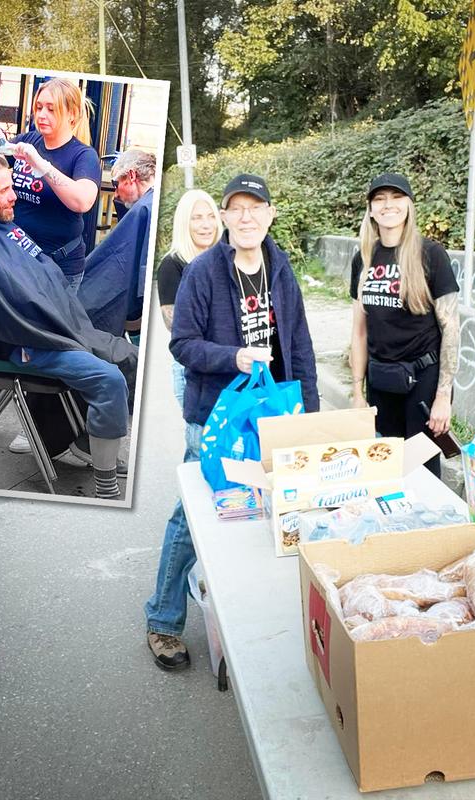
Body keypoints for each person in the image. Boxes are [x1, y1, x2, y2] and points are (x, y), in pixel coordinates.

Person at [144, 173, 319, 670]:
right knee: (192, 519)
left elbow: (300, 346)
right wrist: (234, 356)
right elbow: (182, 345)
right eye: (236, 209)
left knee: (262, 517)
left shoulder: (281, 269)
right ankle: (163, 621)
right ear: (223, 217)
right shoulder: (202, 272)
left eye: (255, 208)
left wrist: (309, 416)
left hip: (271, 417)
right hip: (215, 419)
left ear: (270, 214)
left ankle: (248, 624)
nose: (246, 217)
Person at [0, 155, 136, 499]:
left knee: (131, 357)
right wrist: (52, 328)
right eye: (5, 190)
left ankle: (90, 442)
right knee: (109, 378)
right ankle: (105, 484)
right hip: (25, 345)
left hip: (50, 331)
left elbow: (41, 279)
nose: (15, 196)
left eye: (12, 186)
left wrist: (63, 321)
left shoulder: (7, 228)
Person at [348, 173, 459, 477]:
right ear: (370, 209)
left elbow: (451, 328)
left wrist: (443, 396)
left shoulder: (430, 254)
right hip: (382, 378)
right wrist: (358, 392)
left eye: (396, 197)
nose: (388, 205)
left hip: (423, 378)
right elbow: (359, 332)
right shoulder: (364, 259)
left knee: (422, 471)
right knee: (385, 464)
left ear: (409, 205)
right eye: (380, 199)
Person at [0, 77, 102, 289]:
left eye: (51, 109)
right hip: (17, 258)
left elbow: (83, 201)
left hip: (59, 266)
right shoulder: (29, 141)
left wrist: (42, 165)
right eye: (39, 107)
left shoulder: (83, 155)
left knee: (50, 324)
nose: (42, 115)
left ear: (72, 114)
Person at [79, 148, 158, 339]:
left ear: (131, 176)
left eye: (116, 184)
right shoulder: (146, 206)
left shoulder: (146, 210)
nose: (115, 194)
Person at [155, 189, 221, 408]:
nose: (206, 224)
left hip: (232, 366)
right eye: (197, 218)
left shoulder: (228, 259)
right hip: (193, 369)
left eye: (211, 216)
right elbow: (173, 324)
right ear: (185, 223)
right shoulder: (172, 265)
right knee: (201, 440)